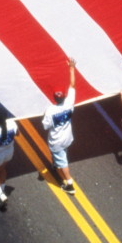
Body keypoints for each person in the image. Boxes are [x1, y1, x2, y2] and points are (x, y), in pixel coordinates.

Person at [40, 58, 78, 193]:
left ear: (54, 99)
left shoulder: (50, 111)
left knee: (63, 162)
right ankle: (56, 164)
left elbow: (45, 126)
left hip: (56, 140)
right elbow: (72, 86)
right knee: (63, 154)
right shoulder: (69, 104)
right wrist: (72, 69)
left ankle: (69, 184)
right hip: (67, 137)